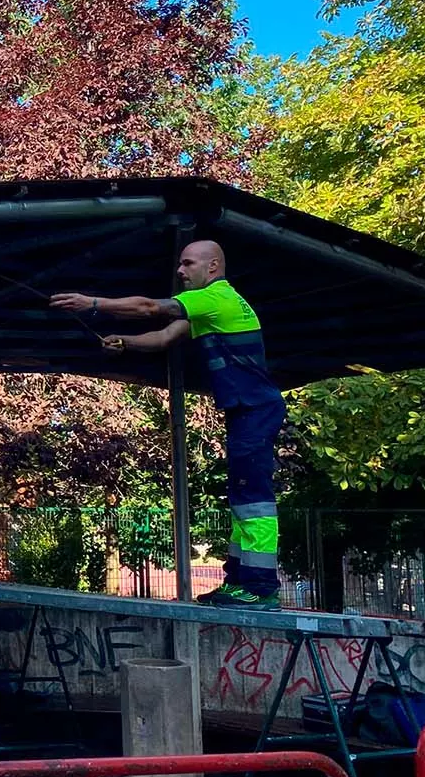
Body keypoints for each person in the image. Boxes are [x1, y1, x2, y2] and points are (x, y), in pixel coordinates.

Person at [50, 240, 287, 609]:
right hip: (248, 410)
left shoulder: (215, 298)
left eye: (187, 264)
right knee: (243, 498)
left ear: (212, 268)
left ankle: (261, 588)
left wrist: (92, 304)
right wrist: (123, 343)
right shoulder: (209, 308)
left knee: (254, 501)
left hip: (256, 409)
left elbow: (149, 309)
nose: (180, 271)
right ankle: (241, 581)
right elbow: (164, 337)